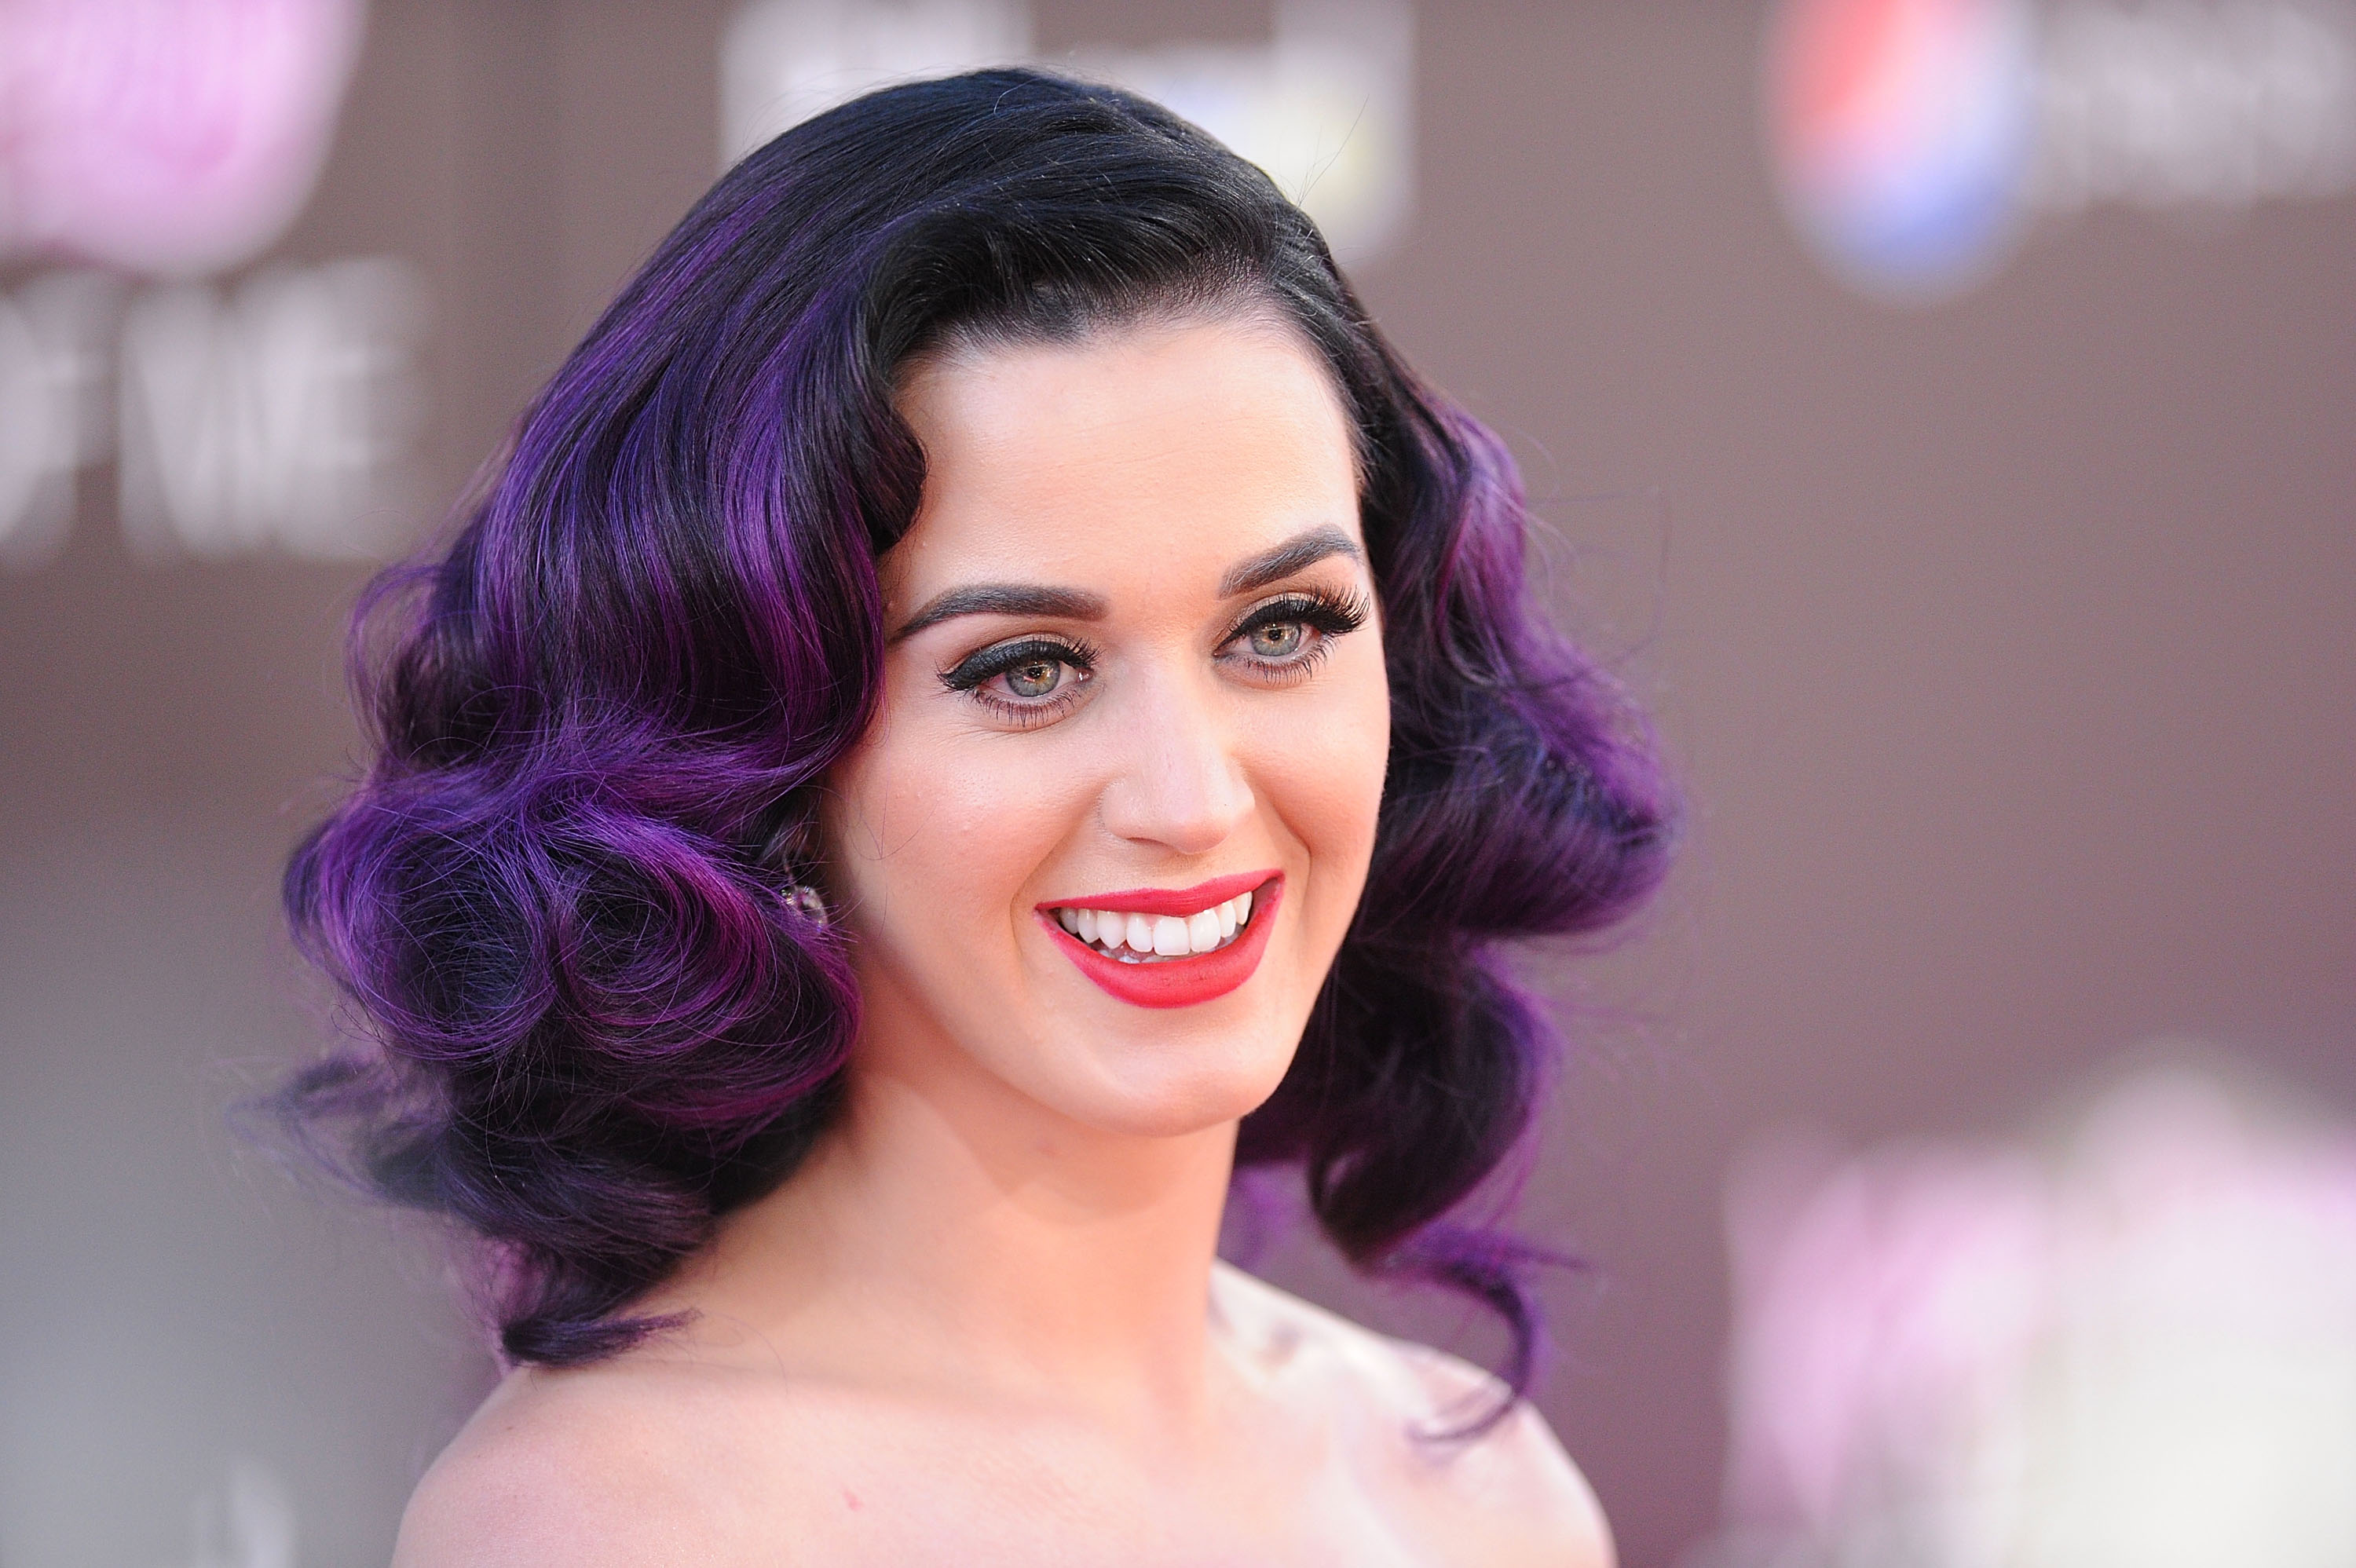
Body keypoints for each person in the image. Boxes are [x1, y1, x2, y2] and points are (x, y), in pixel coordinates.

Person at [277, 68, 1672, 1564]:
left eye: (1280, 629)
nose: (1194, 798)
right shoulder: (616, 1524)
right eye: (1028, 669)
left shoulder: (1480, 1502)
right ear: (763, 754)